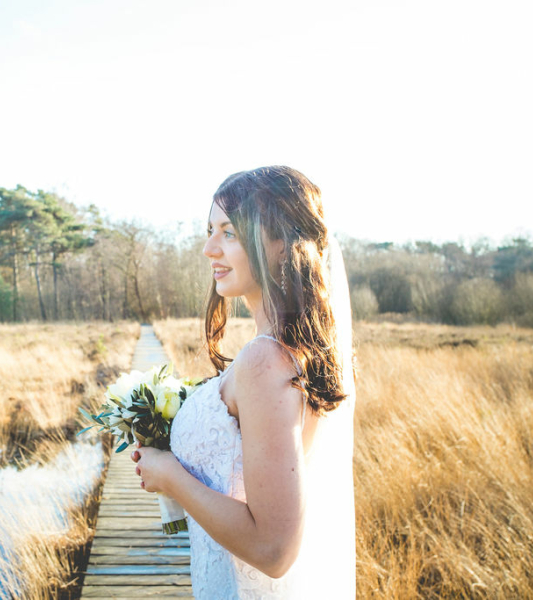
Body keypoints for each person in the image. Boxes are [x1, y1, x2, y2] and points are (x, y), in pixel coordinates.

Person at [131, 165, 356, 598]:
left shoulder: (265, 360)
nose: (208, 248)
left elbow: (274, 551)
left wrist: (171, 477)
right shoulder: (284, 351)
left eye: (229, 232)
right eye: (210, 231)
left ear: (280, 243)